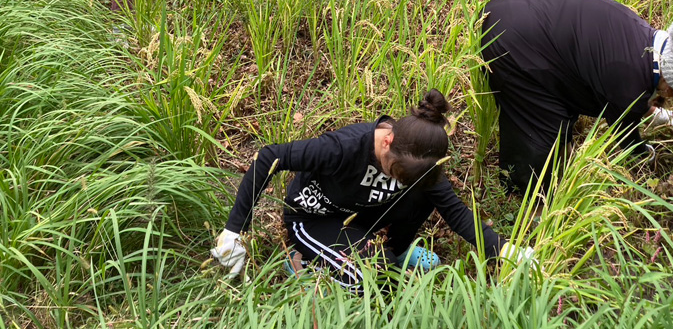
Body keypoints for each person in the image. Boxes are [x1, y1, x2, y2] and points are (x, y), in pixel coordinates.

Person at [210, 90, 533, 290]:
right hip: (316, 218)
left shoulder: (421, 159)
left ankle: (395, 249)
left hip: (366, 213)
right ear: (387, 140)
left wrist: (508, 251)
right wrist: (233, 231)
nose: (399, 178)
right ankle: (304, 262)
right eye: (395, 172)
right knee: (373, 281)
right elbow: (270, 156)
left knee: (425, 192)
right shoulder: (342, 148)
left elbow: (455, 212)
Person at [480, 0, 673, 195]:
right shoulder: (629, 87)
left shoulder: (641, 35)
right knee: (543, 127)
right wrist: (646, 153)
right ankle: (523, 192)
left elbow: (619, 85)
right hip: (509, 39)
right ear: (670, 84)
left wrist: (649, 111)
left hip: (512, 4)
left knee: (566, 91)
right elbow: (625, 132)